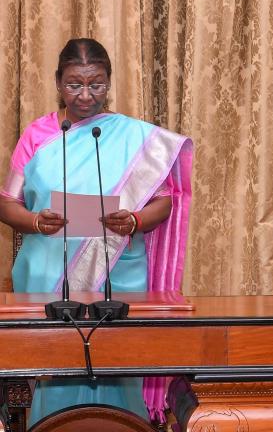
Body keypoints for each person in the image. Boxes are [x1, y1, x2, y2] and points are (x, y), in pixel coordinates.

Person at [0, 38, 192, 426]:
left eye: (96, 84)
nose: (86, 95)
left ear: (108, 82)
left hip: (119, 274)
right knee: (58, 368)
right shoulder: (37, 136)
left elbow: (165, 201)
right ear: (58, 82)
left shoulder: (132, 136)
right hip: (50, 279)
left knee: (118, 365)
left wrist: (134, 221)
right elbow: (7, 203)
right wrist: (37, 222)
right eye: (74, 84)